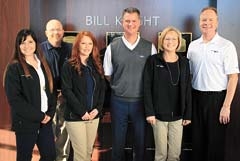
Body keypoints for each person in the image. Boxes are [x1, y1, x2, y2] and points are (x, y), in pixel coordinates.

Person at [103, 7, 157, 161]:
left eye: (134, 21)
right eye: (127, 21)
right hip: (118, 101)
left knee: (140, 142)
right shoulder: (113, 47)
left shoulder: (149, 47)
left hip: (141, 102)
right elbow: (108, 74)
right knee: (118, 142)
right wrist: (121, 86)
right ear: (122, 22)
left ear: (139, 23)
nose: (130, 24)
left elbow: (153, 77)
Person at [187, 6, 239, 161]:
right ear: (199, 22)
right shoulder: (193, 46)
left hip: (217, 101)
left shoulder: (226, 46)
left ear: (217, 23)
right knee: (197, 143)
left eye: (211, 20)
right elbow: (188, 75)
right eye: (204, 19)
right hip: (196, 98)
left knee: (215, 146)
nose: (207, 23)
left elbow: (233, 77)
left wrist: (226, 106)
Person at [3, 29, 56, 161]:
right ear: (18, 46)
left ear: (36, 43)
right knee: (24, 158)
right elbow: (15, 100)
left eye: (30, 41)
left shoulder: (43, 64)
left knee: (50, 156)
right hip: (25, 123)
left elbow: (51, 91)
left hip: (45, 121)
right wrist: (40, 116)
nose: (27, 46)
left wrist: (50, 113)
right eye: (23, 43)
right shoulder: (14, 68)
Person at [143, 26, 192, 161]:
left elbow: (188, 89)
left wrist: (187, 114)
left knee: (175, 155)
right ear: (162, 41)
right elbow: (146, 87)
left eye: (173, 39)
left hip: (178, 116)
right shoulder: (153, 61)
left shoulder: (184, 62)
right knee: (160, 155)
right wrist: (150, 112)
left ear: (178, 42)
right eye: (167, 38)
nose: (170, 41)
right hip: (158, 117)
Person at [61, 31, 106, 161]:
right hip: (75, 116)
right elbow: (67, 91)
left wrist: (97, 109)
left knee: (87, 153)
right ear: (77, 45)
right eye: (83, 43)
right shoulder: (68, 65)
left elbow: (102, 89)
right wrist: (82, 111)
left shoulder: (96, 65)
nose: (87, 46)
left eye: (90, 43)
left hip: (93, 116)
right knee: (81, 155)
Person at [40, 19, 72, 161]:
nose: (55, 32)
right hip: (46, 100)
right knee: (47, 134)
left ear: (63, 32)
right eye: (52, 30)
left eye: (58, 29)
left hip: (66, 98)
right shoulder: (39, 49)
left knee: (64, 134)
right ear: (46, 33)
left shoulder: (71, 49)